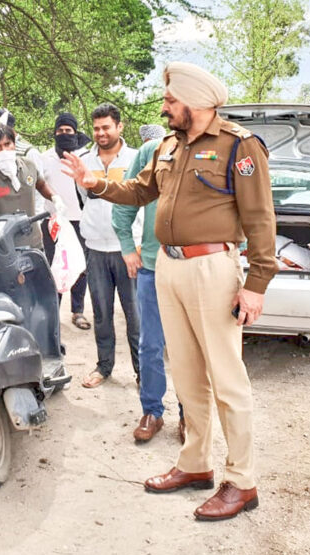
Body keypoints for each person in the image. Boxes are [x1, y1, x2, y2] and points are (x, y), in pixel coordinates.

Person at [61, 61, 277, 522]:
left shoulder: (238, 145)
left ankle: (242, 481)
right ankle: (195, 463)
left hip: (212, 269)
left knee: (226, 379)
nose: (164, 107)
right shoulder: (168, 146)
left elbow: (260, 218)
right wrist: (94, 183)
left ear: (196, 102)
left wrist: (256, 284)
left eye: (170, 100)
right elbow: (141, 190)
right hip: (168, 267)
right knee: (186, 373)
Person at [111, 123, 183, 443]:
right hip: (153, 267)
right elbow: (126, 198)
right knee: (151, 345)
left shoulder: (210, 149)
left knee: (187, 349)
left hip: (194, 268)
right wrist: (128, 247)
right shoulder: (151, 151)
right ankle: (152, 411)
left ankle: (189, 414)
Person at [77, 103, 142, 390]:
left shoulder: (136, 158)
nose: (101, 133)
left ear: (119, 126)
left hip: (127, 249)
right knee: (101, 312)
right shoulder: (84, 160)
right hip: (95, 248)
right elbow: (85, 199)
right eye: (96, 128)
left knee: (135, 315)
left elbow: (144, 200)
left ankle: (142, 372)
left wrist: (138, 244)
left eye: (106, 127)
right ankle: (104, 366)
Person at [39, 112, 93, 330]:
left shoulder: (85, 156)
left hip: (81, 220)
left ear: (75, 132)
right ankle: (53, 312)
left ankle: (78, 311)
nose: (64, 134)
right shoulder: (45, 158)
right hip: (53, 221)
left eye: (68, 130)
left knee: (80, 266)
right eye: (60, 131)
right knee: (54, 266)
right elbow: (38, 187)